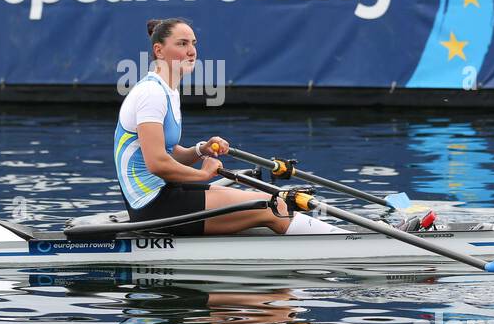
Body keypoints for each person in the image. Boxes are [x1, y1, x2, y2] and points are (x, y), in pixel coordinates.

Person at [113, 17, 342, 236]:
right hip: (152, 203)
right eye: (182, 44)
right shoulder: (151, 93)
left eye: (193, 43)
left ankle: (334, 240)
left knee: (271, 201)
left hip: (166, 193)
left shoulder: (168, 90)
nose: (191, 51)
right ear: (159, 51)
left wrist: (200, 150)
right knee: (272, 206)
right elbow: (157, 163)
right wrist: (202, 174)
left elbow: (169, 154)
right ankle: (344, 244)